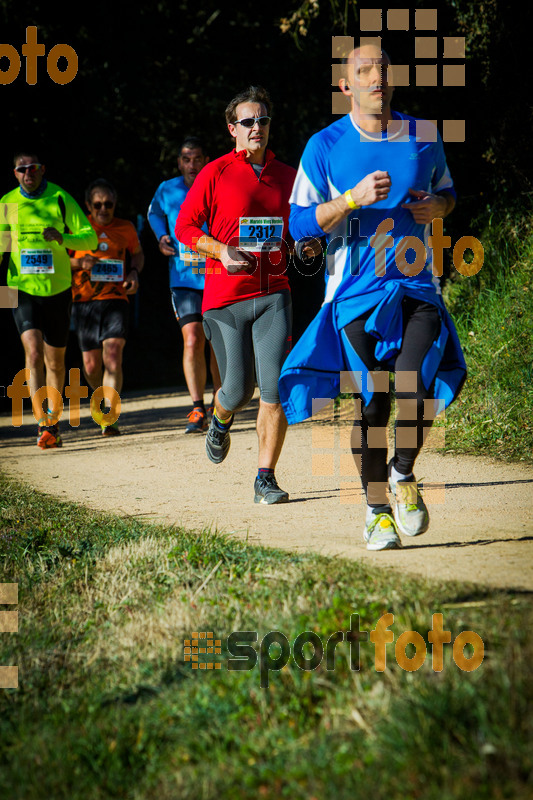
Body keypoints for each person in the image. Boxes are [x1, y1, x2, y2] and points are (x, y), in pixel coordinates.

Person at [279, 44, 466, 548]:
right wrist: (350, 199)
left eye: (382, 69)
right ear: (346, 86)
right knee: (374, 399)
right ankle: (376, 508)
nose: (376, 77)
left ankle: (402, 474)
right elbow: (299, 226)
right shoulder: (325, 145)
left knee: (415, 386)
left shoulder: (424, 136)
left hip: (415, 284)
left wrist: (439, 208)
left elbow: (449, 192)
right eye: (363, 71)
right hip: (354, 294)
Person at [175, 86, 296, 504]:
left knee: (274, 388)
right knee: (238, 390)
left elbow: (298, 227)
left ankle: (266, 477)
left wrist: (307, 243)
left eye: (262, 120)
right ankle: (220, 419)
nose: (257, 127)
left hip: (274, 293)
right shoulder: (215, 172)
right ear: (233, 129)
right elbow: (185, 228)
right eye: (248, 122)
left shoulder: (287, 175)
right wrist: (221, 250)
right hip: (224, 298)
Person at [0, 152, 98, 448]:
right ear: (15, 173)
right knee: (31, 352)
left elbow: (90, 239)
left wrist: (63, 238)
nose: (28, 173)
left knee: (55, 361)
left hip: (58, 289)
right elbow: (3, 248)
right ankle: (42, 423)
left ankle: (54, 424)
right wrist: (3, 291)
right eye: (21, 169)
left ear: (42, 170)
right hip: (19, 289)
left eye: (33, 168)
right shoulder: (8, 203)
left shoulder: (59, 198)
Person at [147, 137, 220, 434]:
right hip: (184, 278)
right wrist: (161, 236)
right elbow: (153, 213)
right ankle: (197, 408)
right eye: (187, 159)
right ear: (179, 162)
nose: (192, 164)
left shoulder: (217, 183)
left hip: (217, 275)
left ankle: (220, 403)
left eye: (198, 158)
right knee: (193, 339)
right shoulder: (167, 189)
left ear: (206, 160)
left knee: (218, 342)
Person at [70, 179, 143, 436]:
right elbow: (58, 261)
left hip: (116, 300)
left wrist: (134, 271)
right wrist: (80, 264)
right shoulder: (77, 229)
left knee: (113, 355)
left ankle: (109, 417)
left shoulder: (125, 227)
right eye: (98, 204)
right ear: (89, 206)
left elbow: (137, 253)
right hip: (84, 303)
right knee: (91, 367)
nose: (104, 209)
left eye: (108, 204)